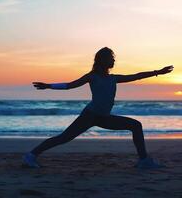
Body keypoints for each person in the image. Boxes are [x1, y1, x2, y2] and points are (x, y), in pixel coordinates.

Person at [22, 47, 174, 169]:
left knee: (135, 125)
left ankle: (144, 161)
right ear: (102, 60)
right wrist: (49, 86)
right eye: (111, 57)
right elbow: (70, 85)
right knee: (64, 138)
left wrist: (158, 72)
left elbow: (136, 76)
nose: (113, 60)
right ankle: (31, 155)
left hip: (104, 118)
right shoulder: (92, 76)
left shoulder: (113, 78)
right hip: (90, 115)